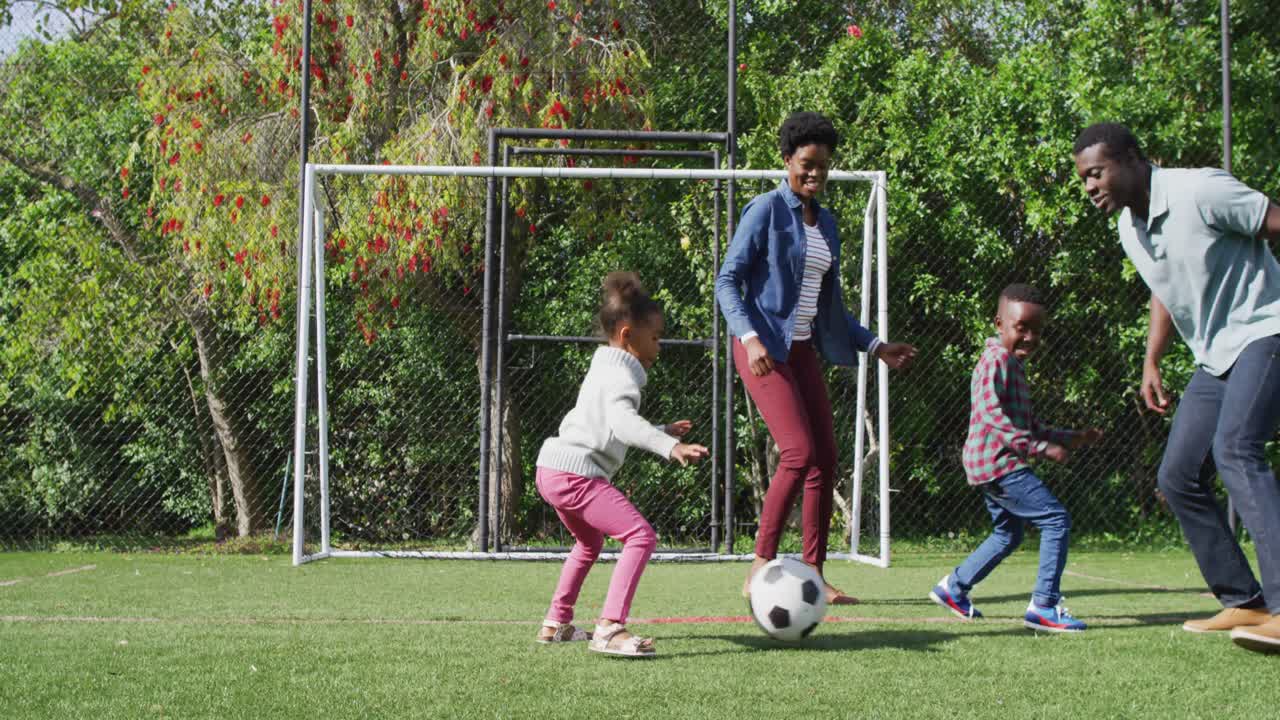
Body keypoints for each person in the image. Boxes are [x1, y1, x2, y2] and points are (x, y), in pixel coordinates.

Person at [1073, 122, 1280, 652]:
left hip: (1267, 329)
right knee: (1179, 474)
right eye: (1082, 179)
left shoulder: (1201, 190)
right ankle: (1245, 599)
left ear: (1132, 160)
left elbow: (1274, 222)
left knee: (1236, 450)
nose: (1089, 186)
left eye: (1096, 173)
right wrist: (1152, 359)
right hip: (1217, 357)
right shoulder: (1128, 227)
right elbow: (1163, 289)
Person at [715, 111, 917, 604]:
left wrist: (875, 345)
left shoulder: (826, 222)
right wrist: (750, 338)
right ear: (787, 160)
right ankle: (760, 564)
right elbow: (727, 282)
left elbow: (831, 310)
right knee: (798, 453)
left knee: (824, 458)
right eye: (806, 163)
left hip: (802, 350)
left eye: (823, 166)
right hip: (762, 351)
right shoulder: (764, 210)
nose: (815, 174)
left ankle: (814, 575)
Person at [533, 271, 709, 658]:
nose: (659, 346)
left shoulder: (604, 367)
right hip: (577, 473)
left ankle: (556, 622)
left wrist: (661, 429)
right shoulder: (623, 375)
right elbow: (623, 423)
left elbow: (608, 423)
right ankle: (610, 628)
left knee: (588, 543)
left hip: (552, 468)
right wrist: (667, 446)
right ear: (628, 336)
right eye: (656, 337)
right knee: (641, 536)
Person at [927, 284, 1102, 632]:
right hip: (998, 463)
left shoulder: (1013, 365)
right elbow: (994, 418)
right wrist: (1040, 449)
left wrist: (1071, 438)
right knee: (1056, 520)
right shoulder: (995, 360)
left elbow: (1030, 424)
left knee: (1008, 535)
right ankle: (1044, 605)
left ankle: (954, 588)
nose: (1029, 337)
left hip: (992, 463)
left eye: (1037, 330)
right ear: (999, 323)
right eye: (1021, 328)